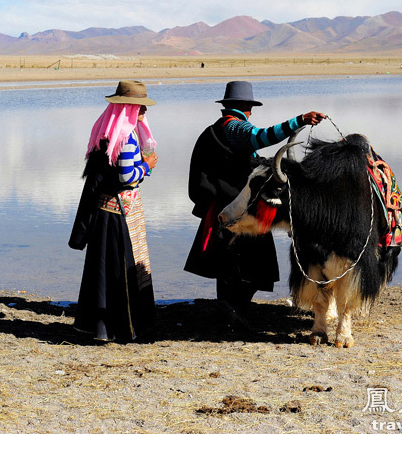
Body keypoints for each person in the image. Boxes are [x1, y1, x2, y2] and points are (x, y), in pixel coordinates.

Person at [184, 80, 325, 330]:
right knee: (249, 258)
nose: (250, 113)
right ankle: (232, 308)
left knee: (228, 258)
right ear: (242, 105)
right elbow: (260, 137)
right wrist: (299, 120)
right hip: (238, 207)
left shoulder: (216, 128)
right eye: (249, 107)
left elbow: (243, 158)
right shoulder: (235, 127)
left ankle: (230, 307)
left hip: (223, 202)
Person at [69, 80, 159, 342]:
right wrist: (147, 165)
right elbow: (126, 177)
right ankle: (123, 328)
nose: (144, 112)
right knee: (122, 271)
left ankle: (97, 328)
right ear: (130, 108)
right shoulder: (127, 136)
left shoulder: (105, 131)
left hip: (102, 213)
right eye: (141, 107)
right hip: (120, 216)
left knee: (101, 271)